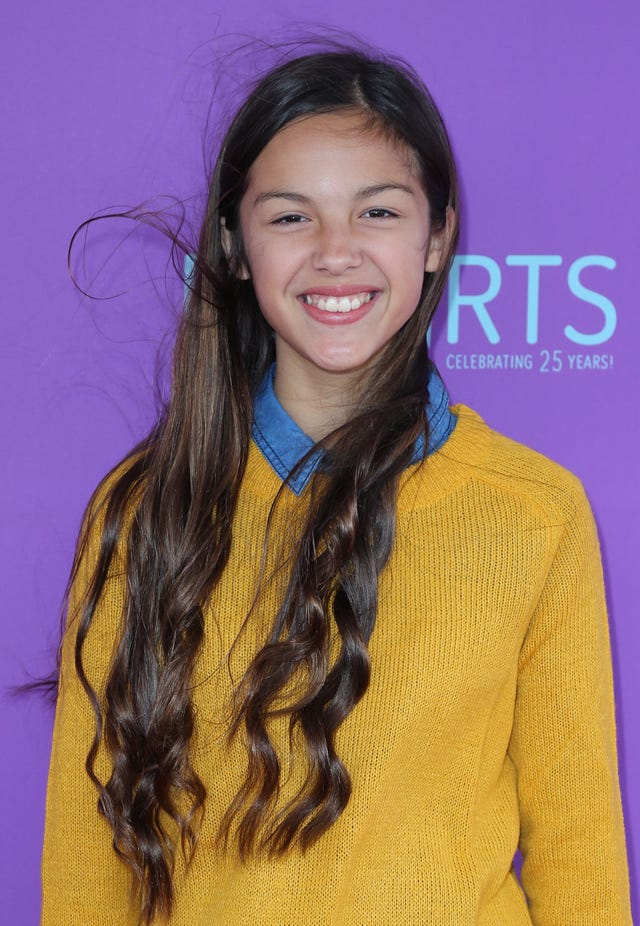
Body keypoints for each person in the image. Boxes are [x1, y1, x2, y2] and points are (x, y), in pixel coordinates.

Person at [41, 46, 632, 925]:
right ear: (236, 249)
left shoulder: (535, 511)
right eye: (291, 217)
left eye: (378, 211)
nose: (336, 252)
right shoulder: (144, 509)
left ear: (436, 237)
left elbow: (578, 847)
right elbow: (92, 852)